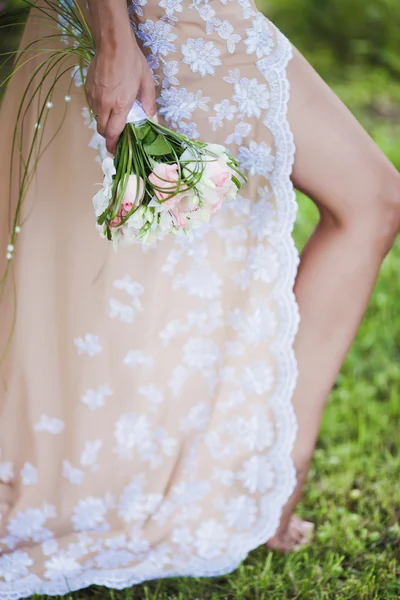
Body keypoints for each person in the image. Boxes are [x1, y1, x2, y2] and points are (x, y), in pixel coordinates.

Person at [0, 0, 399, 595]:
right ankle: (269, 477)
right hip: (158, 18)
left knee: (158, 252)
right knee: (371, 199)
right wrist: (114, 41)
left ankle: (223, 470)